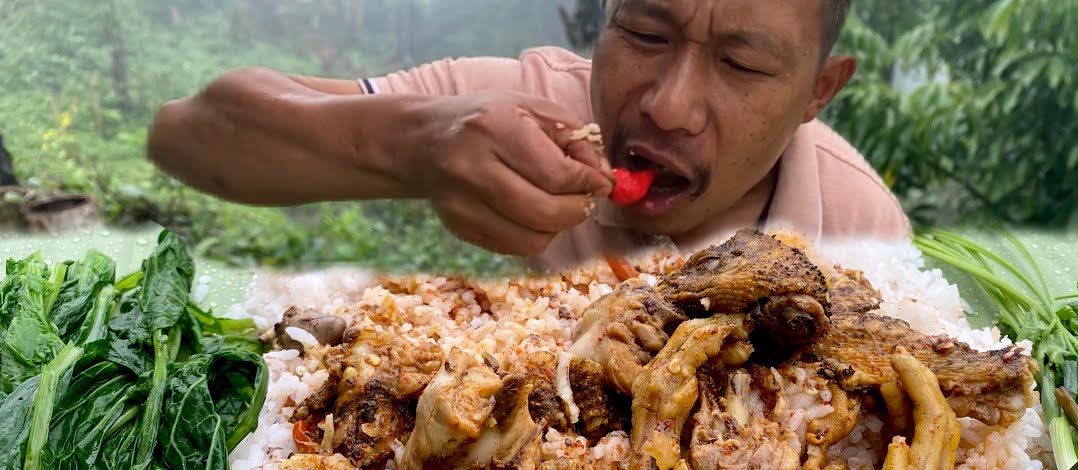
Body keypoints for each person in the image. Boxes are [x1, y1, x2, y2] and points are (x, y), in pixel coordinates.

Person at [146, 0, 910, 269]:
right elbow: (187, 133)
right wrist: (413, 143)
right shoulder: (526, 103)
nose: (670, 107)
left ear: (818, 89)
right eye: (644, 33)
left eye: (741, 64)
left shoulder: (863, 233)